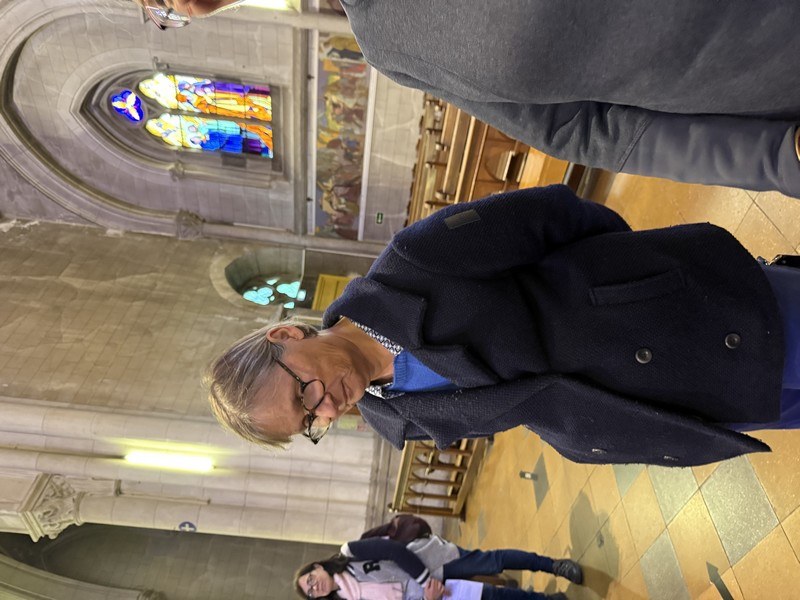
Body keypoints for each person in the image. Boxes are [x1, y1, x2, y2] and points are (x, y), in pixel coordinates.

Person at [206, 184, 800, 466]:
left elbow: (556, 216)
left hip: (692, 316)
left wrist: (624, 285)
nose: (327, 411)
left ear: (286, 335)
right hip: (671, 407)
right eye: (310, 424)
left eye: (303, 395)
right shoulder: (397, 420)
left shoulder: (415, 264)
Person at [132, 0, 800, 198]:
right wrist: (780, 158)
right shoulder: (389, 43)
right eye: (162, 9)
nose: (178, 7)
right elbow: (584, 131)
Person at [295, 534, 582, 600]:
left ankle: (553, 566)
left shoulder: (349, 553)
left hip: (431, 562)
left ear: (317, 567)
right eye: (310, 592)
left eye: (310, 580)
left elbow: (393, 550)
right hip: (429, 597)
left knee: (494, 561)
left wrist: (424, 582)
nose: (314, 586)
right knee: (492, 596)